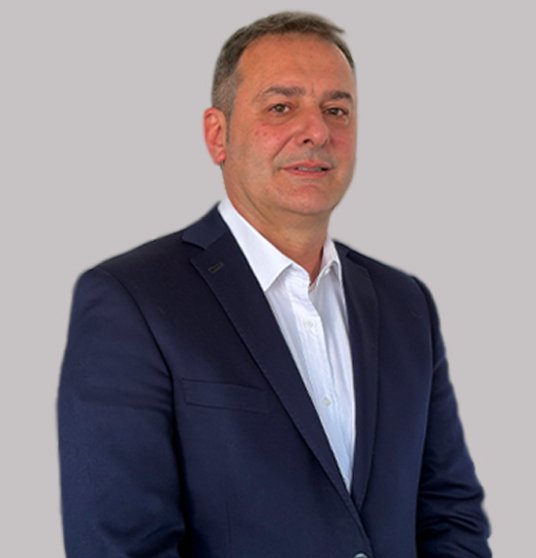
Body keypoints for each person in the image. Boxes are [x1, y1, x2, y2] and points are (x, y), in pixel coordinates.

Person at [58, 12, 491, 558]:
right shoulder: (132, 301)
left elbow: (449, 513)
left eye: (336, 110)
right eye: (281, 107)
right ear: (218, 135)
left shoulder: (405, 303)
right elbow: (121, 544)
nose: (317, 131)